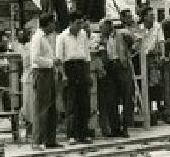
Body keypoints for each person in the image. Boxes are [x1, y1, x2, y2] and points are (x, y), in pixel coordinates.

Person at [55, 11, 92, 145]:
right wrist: (63, 75)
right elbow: (59, 59)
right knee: (71, 103)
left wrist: (87, 74)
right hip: (69, 68)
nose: (80, 26)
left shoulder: (83, 35)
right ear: (71, 23)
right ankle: (71, 134)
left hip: (81, 67)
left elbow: (87, 56)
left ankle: (83, 133)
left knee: (84, 103)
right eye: (77, 23)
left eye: (81, 23)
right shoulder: (62, 37)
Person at [30, 13, 62, 150]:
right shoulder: (37, 38)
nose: (54, 26)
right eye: (53, 23)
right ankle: (37, 141)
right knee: (41, 108)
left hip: (49, 72)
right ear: (48, 23)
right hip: (41, 73)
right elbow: (35, 58)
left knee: (51, 108)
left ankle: (50, 139)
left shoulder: (46, 38)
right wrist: (51, 61)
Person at [100, 20, 135, 138]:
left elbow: (132, 41)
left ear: (109, 26)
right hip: (110, 66)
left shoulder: (121, 34)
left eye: (103, 27)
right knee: (111, 98)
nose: (101, 29)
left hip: (122, 65)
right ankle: (115, 128)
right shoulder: (102, 39)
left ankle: (125, 127)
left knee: (126, 96)